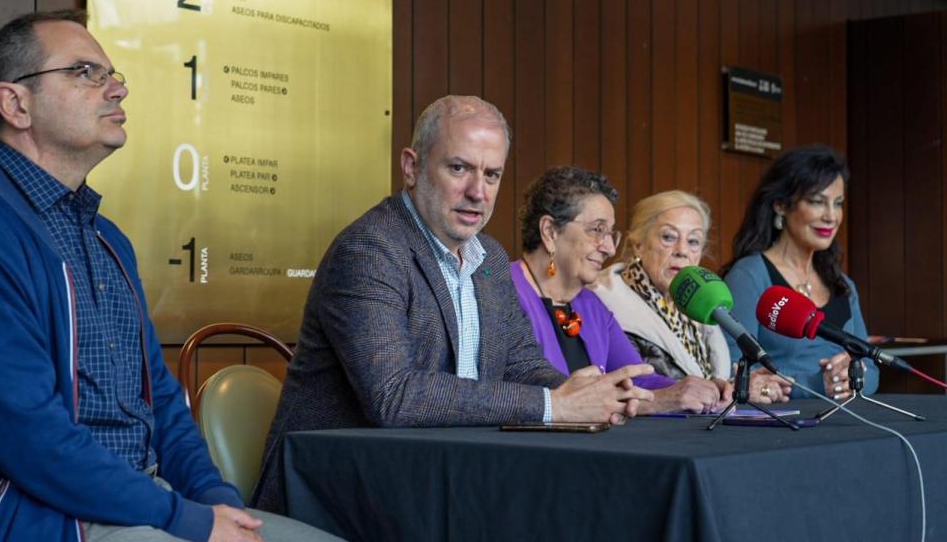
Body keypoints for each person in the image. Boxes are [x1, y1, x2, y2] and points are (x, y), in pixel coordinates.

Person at [0, 9, 336, 541]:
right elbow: (33, 440)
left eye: (114, 75)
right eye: (85, 72)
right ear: (16, 103)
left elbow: (160, 400)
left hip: (147, 498)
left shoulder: (106, 239)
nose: (116, 89)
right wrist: (188, 520)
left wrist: (216, 503)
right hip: (42, 518)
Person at [252, 96, 654, 514]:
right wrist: (556, 406)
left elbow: (519, 362)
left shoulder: (490, 258)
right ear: (411, 167)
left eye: (492, 174)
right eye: (458, 168)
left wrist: (587, 391)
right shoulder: (370, 249)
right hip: (343, 492)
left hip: (444, 479)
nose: (478, 192)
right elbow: (394, 395)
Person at [511, 167, 733, 414]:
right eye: (597, 230)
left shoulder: (590, 304)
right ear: (550, 232)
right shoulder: (505, 291)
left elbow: (639, 378)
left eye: (610, 234)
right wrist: (658, 402)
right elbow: (539, 392)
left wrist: (694, 390)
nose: (608, 248)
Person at [593, 190, 791, 403]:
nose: (682, 251)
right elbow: (643, 386)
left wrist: (741, 384)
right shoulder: (607, 304)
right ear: (638, 244)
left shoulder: (696, 302)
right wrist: (730, 393)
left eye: (693, 241)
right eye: (668, 237)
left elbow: (707, 382)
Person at [722, 145, 878, 399]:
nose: (831, 216)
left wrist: (853, 378)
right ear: (781, 205)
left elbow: (871, 366)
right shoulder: (748, 277)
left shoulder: (842, 284)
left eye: (837, 203)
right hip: (783, 426)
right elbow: (735, 370)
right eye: (817, 202)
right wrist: (818, 385)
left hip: (849, 421)